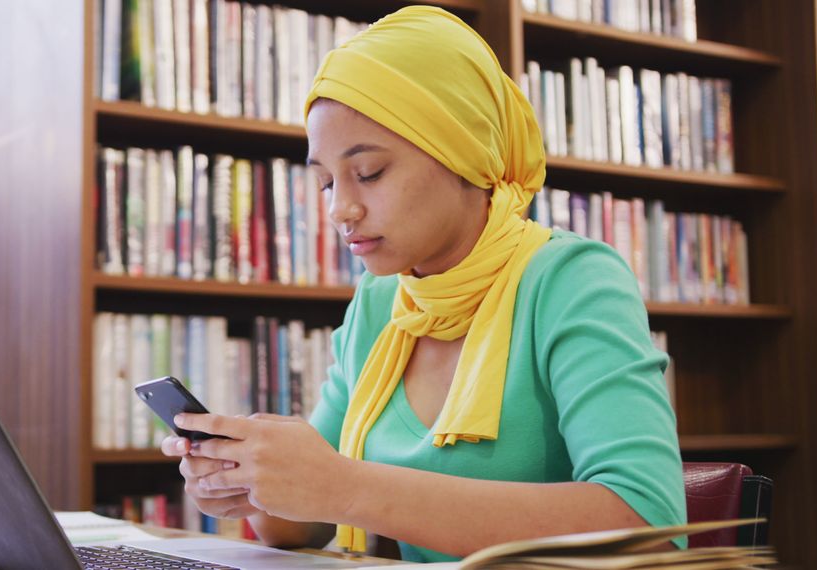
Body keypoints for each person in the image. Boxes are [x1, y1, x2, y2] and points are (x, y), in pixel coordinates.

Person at [160, 5, 686, 563]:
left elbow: (647, 527)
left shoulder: (571, 281)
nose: (341, 209)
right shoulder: (383, 300)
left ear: (463, 151)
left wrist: (346, 486)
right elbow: (304, 529)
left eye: (369, 173)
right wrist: (251, 478)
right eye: (324, 182)